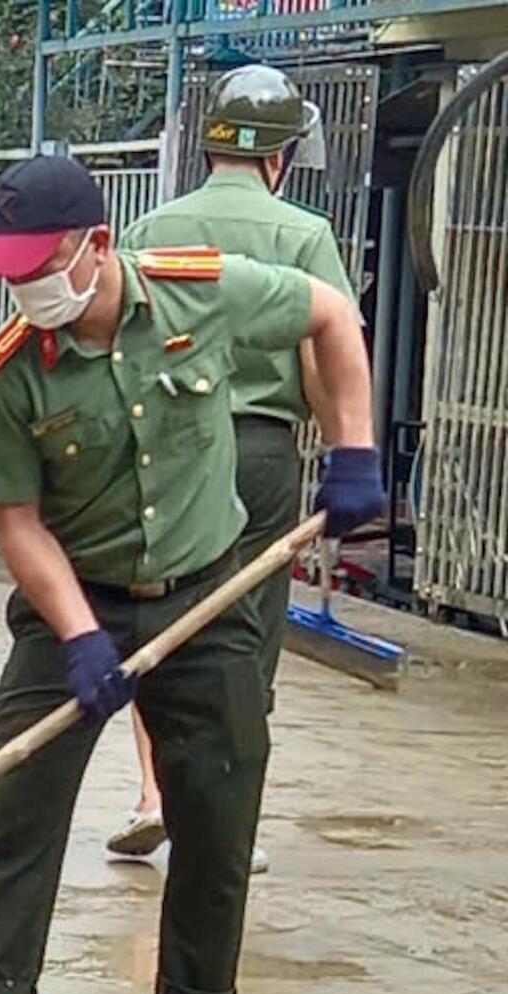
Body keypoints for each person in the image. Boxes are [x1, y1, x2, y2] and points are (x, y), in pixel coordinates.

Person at [0, 155, 382, 994]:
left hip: (207, 584)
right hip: (76, 595)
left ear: (98, 246)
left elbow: (330, 314)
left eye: (40, 269)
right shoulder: (3, 372)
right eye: (11, 275)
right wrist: (78, 639)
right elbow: (18, 525)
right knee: (20, 792)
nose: (25, 291)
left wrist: (354, 447)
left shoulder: (200, 294)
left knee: (217, 795)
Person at [107, 65, 356, 870]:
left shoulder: (152, 229)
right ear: (281, 156)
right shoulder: (305, 234)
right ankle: (225, 827)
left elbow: (122, 353)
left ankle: (154, 795)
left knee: (161, 620)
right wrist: (342, 453)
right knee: (246, 637)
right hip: (258, 454)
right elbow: (327, 351)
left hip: (168, 453)